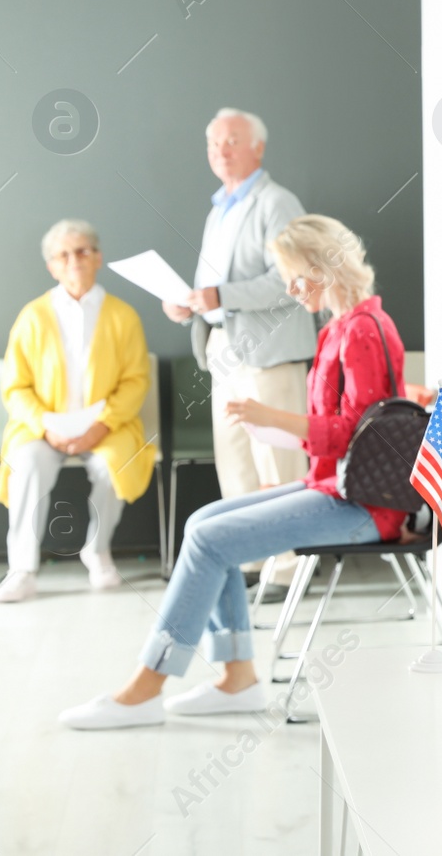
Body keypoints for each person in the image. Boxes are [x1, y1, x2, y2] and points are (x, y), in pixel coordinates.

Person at [61, 215, 424, 729]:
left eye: (296, 275)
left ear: (326, 267)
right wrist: (280, 438)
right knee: (201, 524)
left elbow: (357, 434)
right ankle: (237, 680)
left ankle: (148, 685)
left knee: (212, 540)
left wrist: (271, 418)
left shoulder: (361, 330)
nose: (291, 288)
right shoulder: (344, 327)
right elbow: (353, 426)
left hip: (363, 506)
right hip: (337, 487)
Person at [162, 108, 316, 590]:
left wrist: (220, 297)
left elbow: (292, 281)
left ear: (258, 148)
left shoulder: (277, 203)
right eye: (213, 144)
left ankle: (288, 568)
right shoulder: (219, 209)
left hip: (270, 353)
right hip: (224, 348)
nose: (220, 151)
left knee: (278, 461)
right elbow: (213, 284)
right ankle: (251, 560)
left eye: (231, 141)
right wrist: (191, 304)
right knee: (236, 459)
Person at [0, 220, 155, 603]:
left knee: (111, 466)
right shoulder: (32, 316)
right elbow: (15, 387)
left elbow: (135, 380)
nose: (74, 261)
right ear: (52, 265)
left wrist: (101, 427)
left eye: (82, 251)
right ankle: (22, 569)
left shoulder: (122, 315)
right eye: (63, 255)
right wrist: (46, 428)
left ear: (97, 257)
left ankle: (97, 552)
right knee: (27, 464)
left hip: (107, 427)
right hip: (42, 429)